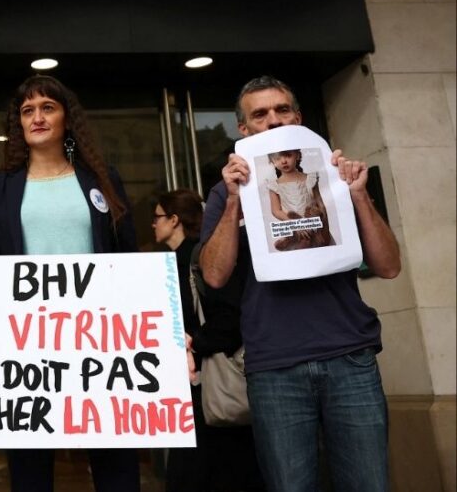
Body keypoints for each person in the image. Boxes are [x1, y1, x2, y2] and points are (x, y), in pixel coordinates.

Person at [0, 74, 141, 492]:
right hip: (26, 343)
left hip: (100, 339)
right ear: (19, 124)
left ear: (67, 118)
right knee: (29, 469)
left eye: (48, 108)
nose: (37, 117)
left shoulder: (101, 178)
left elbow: (129, 264)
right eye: (28, 111)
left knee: (116, 462)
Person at [199, 75, 401, 492]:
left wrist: (359, 195)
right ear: (244, 129)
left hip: (350, 354)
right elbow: (214, 275)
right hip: (274, 363)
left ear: (299, 117)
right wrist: (234, 200)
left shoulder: (335, 177)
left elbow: (389, 266)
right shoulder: (226, 192)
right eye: (260, 114)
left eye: (282, 110)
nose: (273, 121)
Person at [153, 190, 262, 492]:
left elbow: (229, 316)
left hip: (206, 381)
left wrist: (194, 343)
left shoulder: (199, 258)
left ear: (174, 220)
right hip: (200, 381)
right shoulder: (176, 260)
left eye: (157, 217)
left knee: (202, 469)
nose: (152, 225)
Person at [266, 149, 333, 250]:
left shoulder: (310, 178)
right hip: (292, 223)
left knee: (316, 245)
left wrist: (325, 225)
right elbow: (276, 210)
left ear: (297, 155)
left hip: (313, 222)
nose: (283, 161)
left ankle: (308, 237)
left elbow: (320, 203)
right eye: (277, 158)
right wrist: (295, 225)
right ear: (272, 162)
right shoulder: (274, 185)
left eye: (288, 156)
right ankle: (293, 238)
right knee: (301, 246)